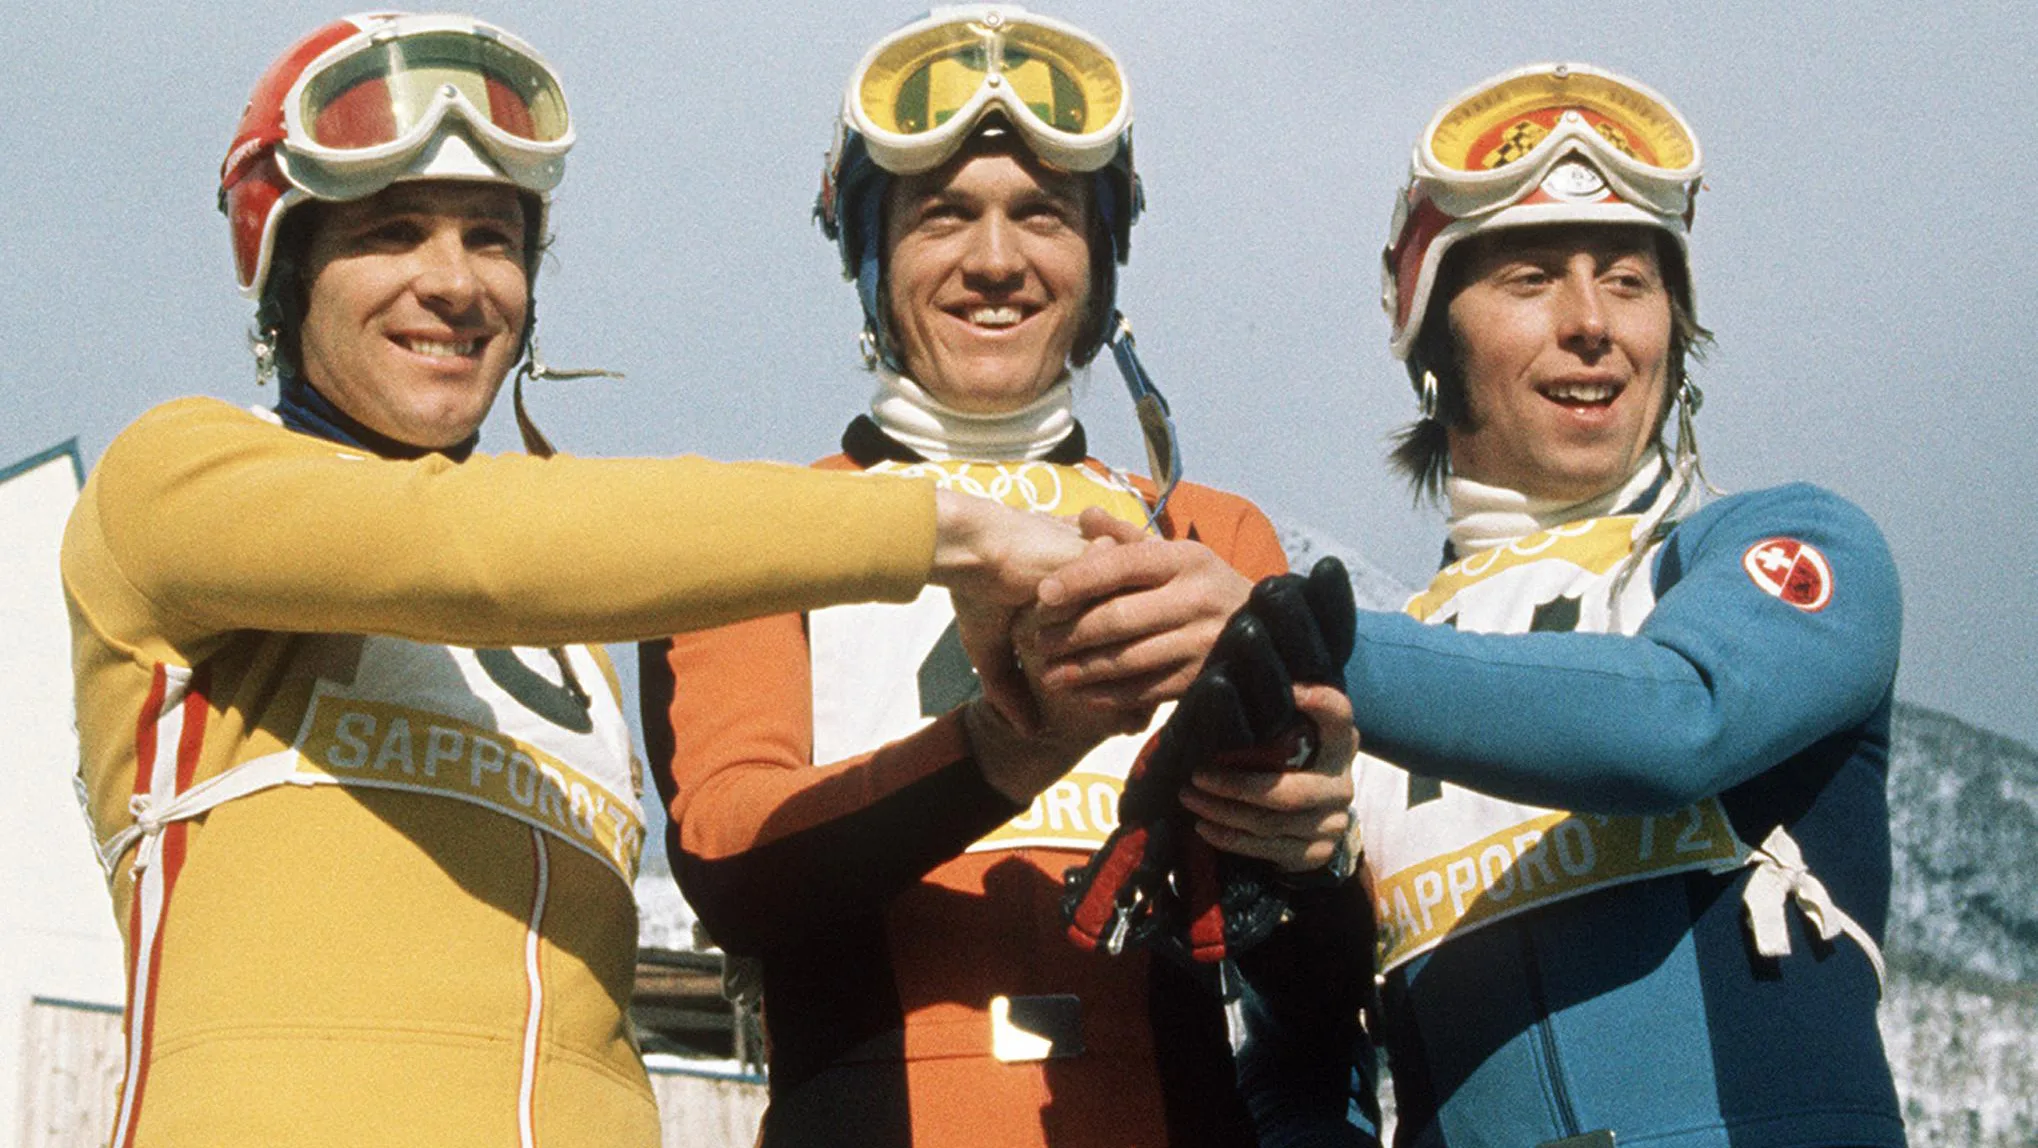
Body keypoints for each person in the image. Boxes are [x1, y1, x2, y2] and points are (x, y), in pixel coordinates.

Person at [62, 13, 1097, 1147]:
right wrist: (948, 530)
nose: (454, 282)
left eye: (493, 238)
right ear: (286, 266)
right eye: (393, 231)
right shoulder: (177, 477)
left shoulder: (578, 654)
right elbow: (471, 549)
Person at [1145, 61, 1905, 1146]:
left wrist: (1305, 644)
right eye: (1531, 277)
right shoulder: (1374, 687)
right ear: (1433, 338)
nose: (1591, 322)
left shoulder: (1791, 542)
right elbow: (1301, 1065)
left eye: (1630, 280)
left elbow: (1677, 721)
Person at [642, 7, 1358, 1145]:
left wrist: (1312, 862)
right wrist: (1008, 742)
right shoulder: (750, 536)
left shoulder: (1214, 532)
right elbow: (732, 865)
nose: (993, 260)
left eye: (1042, 214)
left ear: (1103, 256)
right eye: (942, 214)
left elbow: (1312, 1002)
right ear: (868, 252)